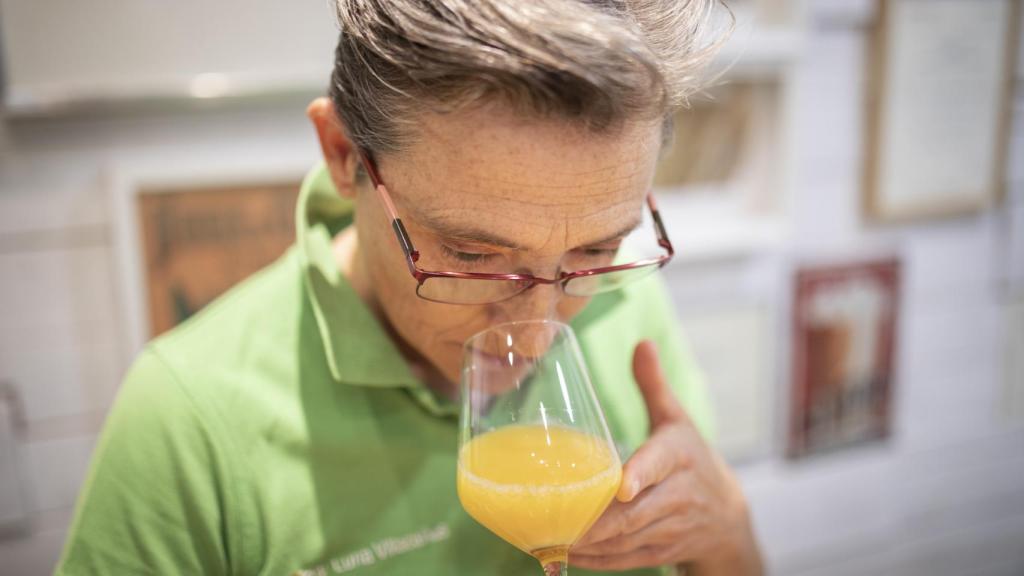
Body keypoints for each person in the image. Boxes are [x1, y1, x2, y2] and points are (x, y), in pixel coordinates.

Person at [57, 1, 763, 574]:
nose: (540, 321)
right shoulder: (187, 419)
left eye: (596, 247)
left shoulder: (621, 301)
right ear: (343, 156)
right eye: (474, 254)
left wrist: (723, 529)